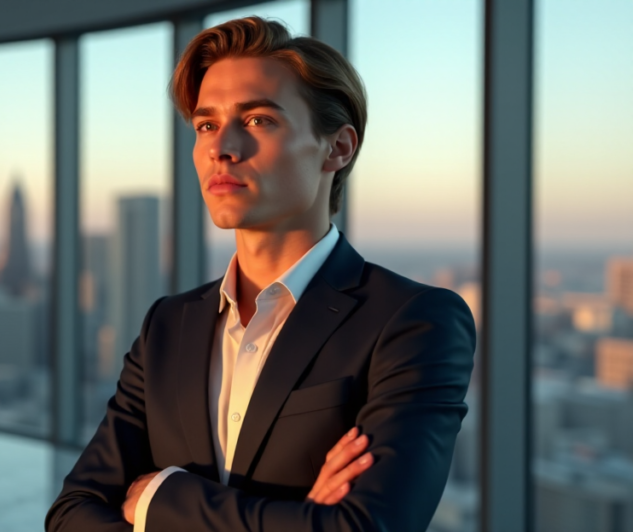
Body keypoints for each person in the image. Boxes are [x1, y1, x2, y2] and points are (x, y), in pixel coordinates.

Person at [46, 16, 475, 532]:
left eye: (257, 121)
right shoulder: (167, 325)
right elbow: (71, 515)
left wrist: (161, 499)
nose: (219, 147)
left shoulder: (412, 322)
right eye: (206, 124)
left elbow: (366, 528)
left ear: (337, 148)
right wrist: (300, 520)